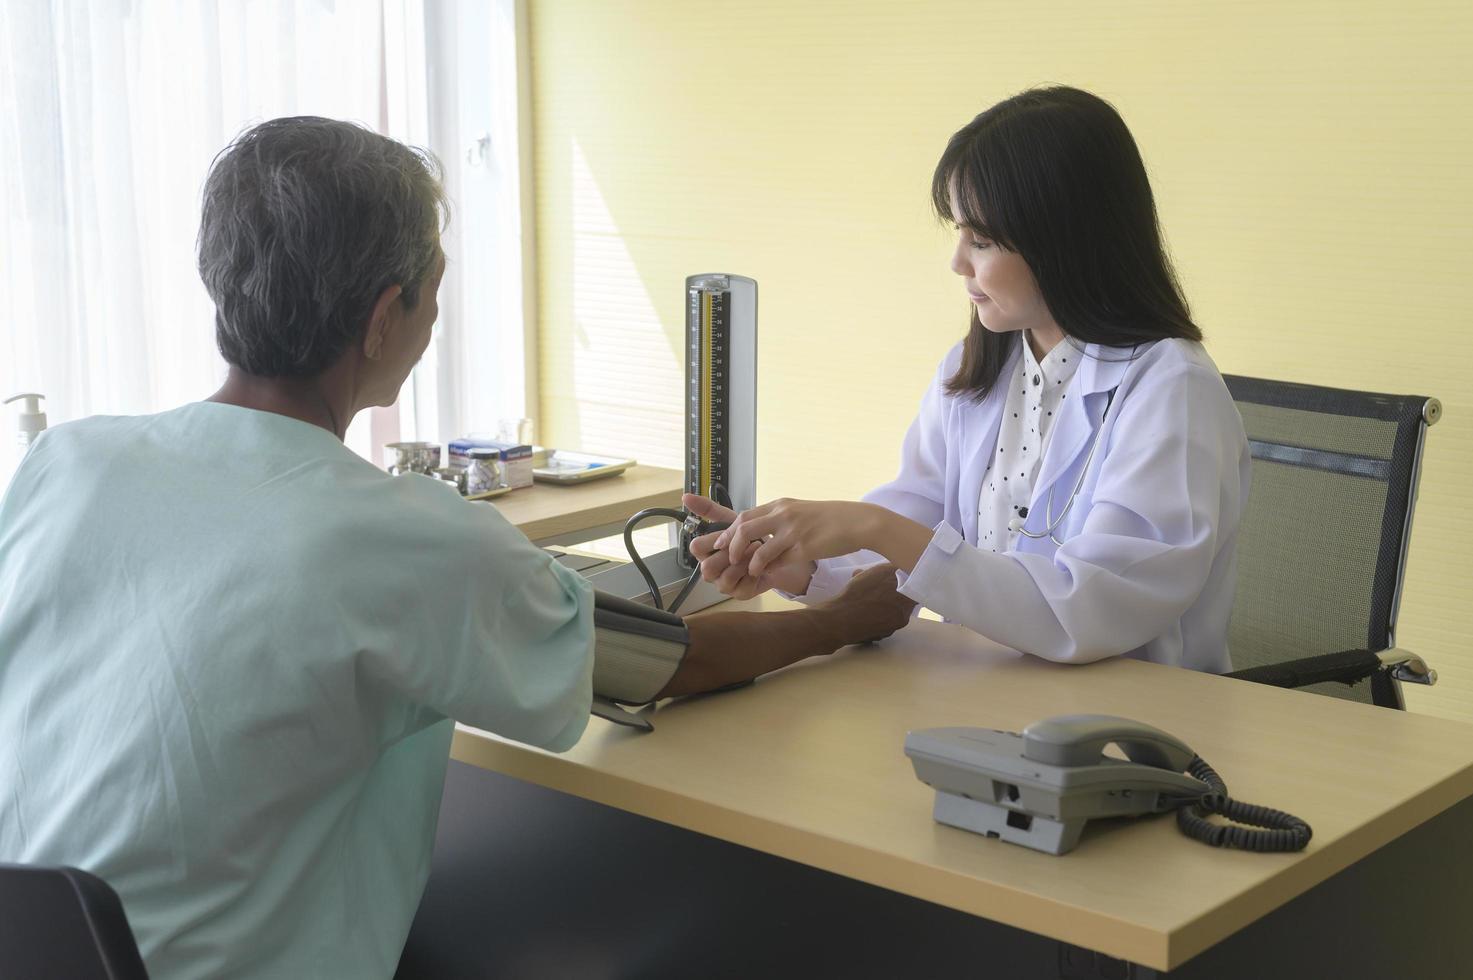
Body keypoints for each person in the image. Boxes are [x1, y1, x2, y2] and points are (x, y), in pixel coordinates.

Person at [0, 117, 914, 979]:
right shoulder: (395, 535)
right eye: (433, 296)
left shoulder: (69, 461)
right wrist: (838, 621)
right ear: (382, 316)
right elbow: (661, 664)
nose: (433, 326)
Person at [686, 86, 1251, 672]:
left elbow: (1089, 610)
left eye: (979, 240)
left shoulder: (1173, 391)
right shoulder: (975, 367)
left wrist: (874, 525)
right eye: (958, 234)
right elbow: (916, 524)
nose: (958, 262)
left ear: (1065, 242)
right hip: (983, 694)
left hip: (1135, 723)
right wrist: (800, 564)